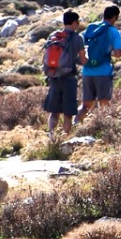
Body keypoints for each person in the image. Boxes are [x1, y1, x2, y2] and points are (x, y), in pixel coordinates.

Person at [41, 10, 86, 141]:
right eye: (77, 22)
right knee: (68, 113)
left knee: (54, 111)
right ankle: (64, 140)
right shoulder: (77, 38)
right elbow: (83, 61)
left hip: (53, 77)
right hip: (69, 78)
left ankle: (51, 137)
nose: (78, 25)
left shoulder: (53, 36)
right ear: (73, 22)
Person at [80, 5, 121, 116]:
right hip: (103, 71)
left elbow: (81, 45)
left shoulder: (91, 27)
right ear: (115, 17)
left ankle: (74, 125)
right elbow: (118, 54)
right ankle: (106, 126)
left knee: (86, 105)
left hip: (87, 70)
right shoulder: (113, 32)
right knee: (104, 102)